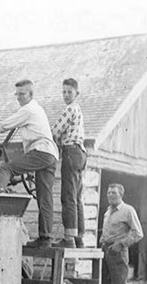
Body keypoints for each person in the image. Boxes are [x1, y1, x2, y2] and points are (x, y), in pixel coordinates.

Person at [0, 79, 59, 248]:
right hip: (50, 155)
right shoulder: (36, 109)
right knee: (44, 197)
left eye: (22, 94)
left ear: (30, 94)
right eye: (17, 94)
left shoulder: (29, 109)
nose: (18, 97)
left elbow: (4, 125)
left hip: (41, 151)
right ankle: (46, 238)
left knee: (5, 169)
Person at [96, 183, 144, 284]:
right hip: (105, 251)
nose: (110, 195)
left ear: (121, 195)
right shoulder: (107, 211)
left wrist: (121, 244)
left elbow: (138, 233)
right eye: (109, 193)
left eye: (114, 193)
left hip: (118, 252)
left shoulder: (127, 210)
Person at [52, 78, 87, 248]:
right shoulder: (78, 110)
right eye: (64, 92)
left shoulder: (70, 109)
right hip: (81, 153)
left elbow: (55, 130)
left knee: (68, 196)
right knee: (77, 197)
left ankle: (69, 238)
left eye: (69, 92)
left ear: (76, 93)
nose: (66, 95)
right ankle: (79, 237)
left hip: (71, 152)